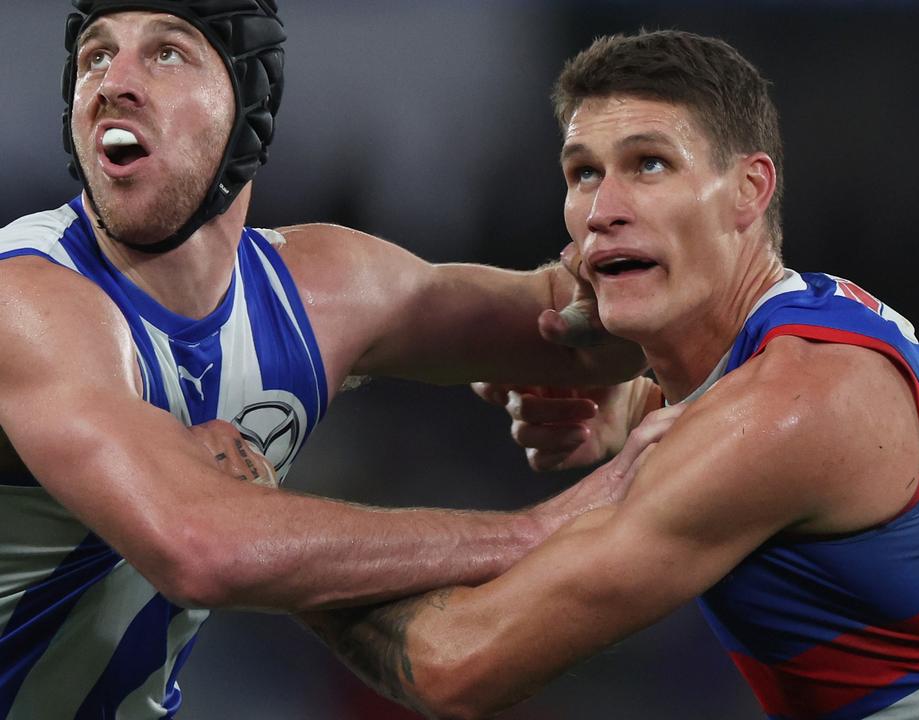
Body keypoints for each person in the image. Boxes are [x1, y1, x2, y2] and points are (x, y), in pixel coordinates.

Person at [307, 29, 919, 719]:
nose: (603, 209)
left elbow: (456, 665)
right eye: (583, 173)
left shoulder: (792, 406)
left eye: (650, 164)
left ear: (749, 192)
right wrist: (625, 407)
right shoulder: (787, 344)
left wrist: (272, 546)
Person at [0, 2, 659, 717]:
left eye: (166, 53)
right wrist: (540, 530)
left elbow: (579, 329)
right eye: (95, 56)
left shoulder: (321, 290)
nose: (112, 82)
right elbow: (200, 545)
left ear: (251, 101)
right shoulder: (29, 298)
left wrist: (620, 371)